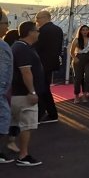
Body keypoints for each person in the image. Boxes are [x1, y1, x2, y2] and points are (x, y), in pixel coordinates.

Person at [10, 21, 44, 166]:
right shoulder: (22, 49)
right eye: (37, 30)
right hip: (23, 95)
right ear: (30, 32)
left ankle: (10, 145)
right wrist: (32, 91)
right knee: (26, 125)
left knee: (14, 123)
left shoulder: (21, 47)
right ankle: (23, 155)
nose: (39, 33)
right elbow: (26, 72)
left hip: (18, 93)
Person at [33, 10, 62, 124]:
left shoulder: (42, 31)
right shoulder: (58, 30)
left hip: (41, 64)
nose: (37, 21)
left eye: (38, 18)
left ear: (46, 17)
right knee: (45, 88)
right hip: (51, 63)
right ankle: (49, 113)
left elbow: (37, 47)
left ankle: (46, 114)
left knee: (42, 89)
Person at [70, 25, 89, 104]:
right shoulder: (76, 40)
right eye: (83, 30)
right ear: (80, 31)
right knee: (78, 78)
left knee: (88, 77)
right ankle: (76, 96)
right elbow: (71, 52)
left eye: (86, 30)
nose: (85, 31)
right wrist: (75, 58)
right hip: (79, 59)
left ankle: (85, 95)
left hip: (88, 59)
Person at [0, 9, 13, 164]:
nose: (7, 27)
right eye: (5, 23)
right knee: (4, 118)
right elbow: (2, 74)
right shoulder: (2, 46)